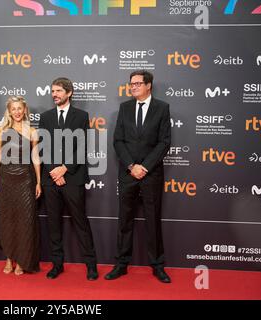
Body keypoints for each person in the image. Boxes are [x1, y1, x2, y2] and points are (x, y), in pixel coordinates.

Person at [105, 70, 172, 283]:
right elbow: (118, 141)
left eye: (137, 83)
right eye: (131, 84)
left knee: (153, 220)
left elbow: (164, 142)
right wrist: (132, 166)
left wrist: (145, 167)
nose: (132, 87)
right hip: (128, 173)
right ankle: (121, 264)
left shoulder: (162, 108)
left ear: (148, 85)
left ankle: (157, 266)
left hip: (151, 174)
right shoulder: (124, 108)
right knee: (125, 220)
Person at [38, 77, 98, 281]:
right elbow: (43, 147)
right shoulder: (45, 117)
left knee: (80, 222)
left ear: (69, 93)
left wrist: (64, 169)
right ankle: (57, 264)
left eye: (58, 91)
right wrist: (54, 171)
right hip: (51, 179)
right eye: (52, 91)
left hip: (73, 177)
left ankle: (91, 265)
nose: (54, 94)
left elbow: (83, 147)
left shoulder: (81, 116)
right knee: (54, 224)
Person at [0, 96, 42, 276]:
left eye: (20, 108)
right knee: (7, 220)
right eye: (14, 109)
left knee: (25, 221)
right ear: (9, 111)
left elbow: (35, 157)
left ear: (24, 110)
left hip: (26, 179)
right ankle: (8, 258)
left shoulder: (32, 131)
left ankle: (21, 260)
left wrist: (38, 181)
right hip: (6, 178)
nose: (17, 112)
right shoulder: (2, 130)